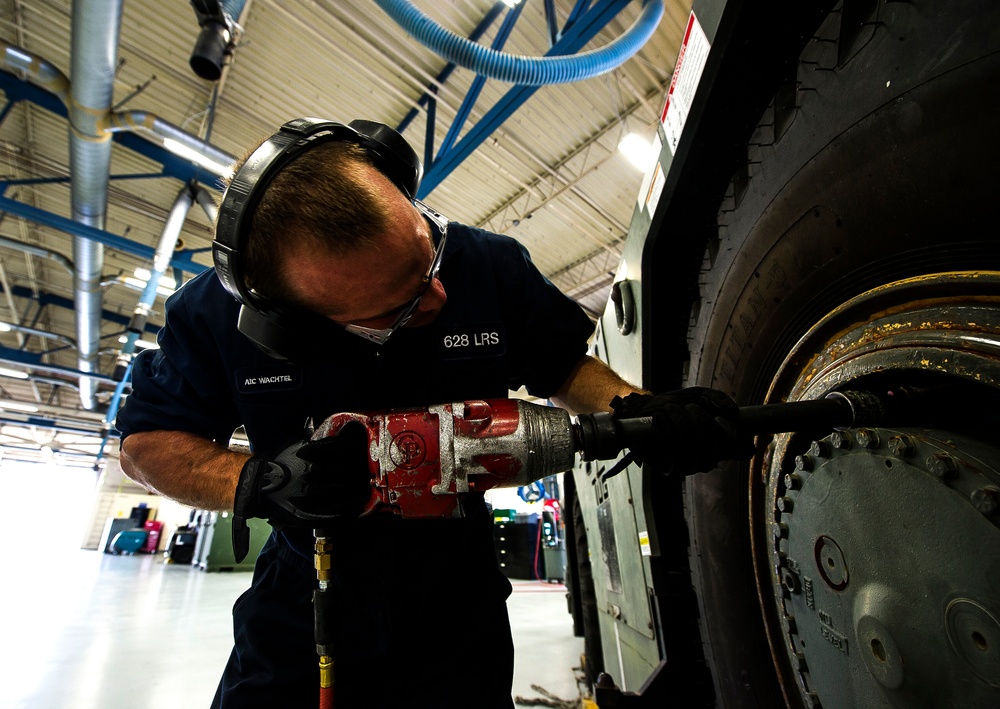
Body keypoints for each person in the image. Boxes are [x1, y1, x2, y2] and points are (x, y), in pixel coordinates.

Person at [115, 118, 744, 708]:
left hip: (459, 594)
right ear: (293, 319)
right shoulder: (220, 318)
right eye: (401, 305)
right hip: (306, 594)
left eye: (427, 258)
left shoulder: (486, 264)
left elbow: (561, 365)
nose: (439, 296)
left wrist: (638, 411)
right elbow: (146, 445)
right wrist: (259, 481)